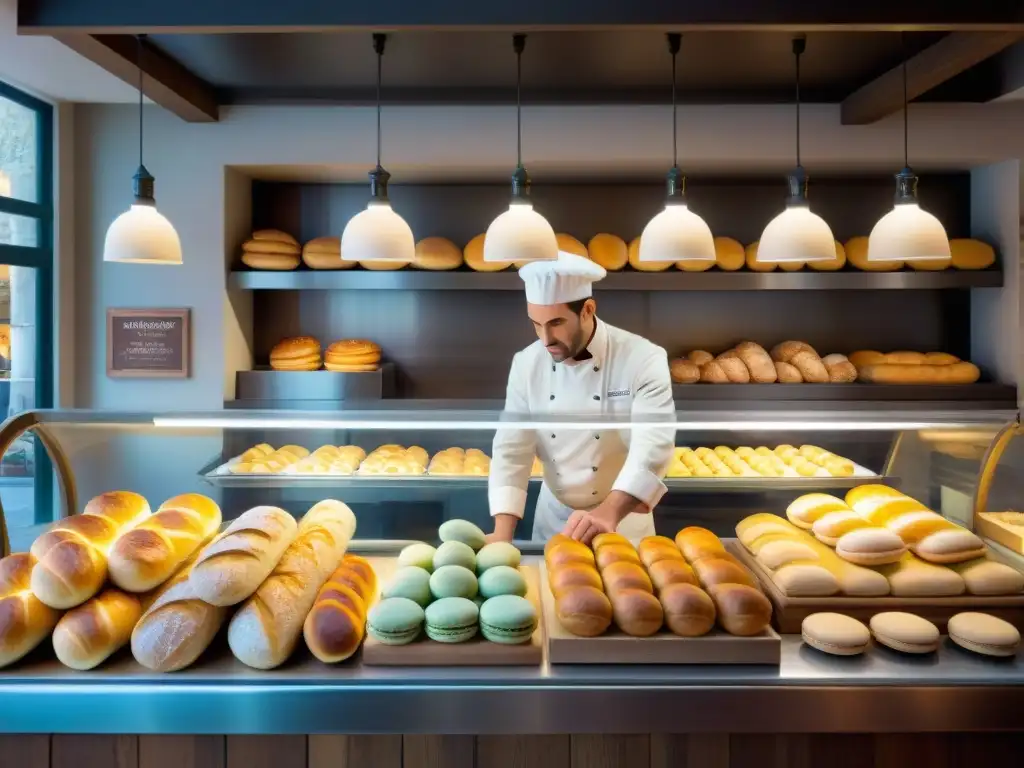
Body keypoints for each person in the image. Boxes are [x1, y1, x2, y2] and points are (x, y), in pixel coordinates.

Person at [487, 251, 676, 545]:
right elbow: (512, 449)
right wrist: (501, 535)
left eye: (556, 323)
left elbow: (653, 446)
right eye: (536, 324)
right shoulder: (526, 363)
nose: (545, 339)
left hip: (622, 522)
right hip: (554, 521)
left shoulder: (643, 358)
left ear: (587, 309)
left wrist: (609, 513)